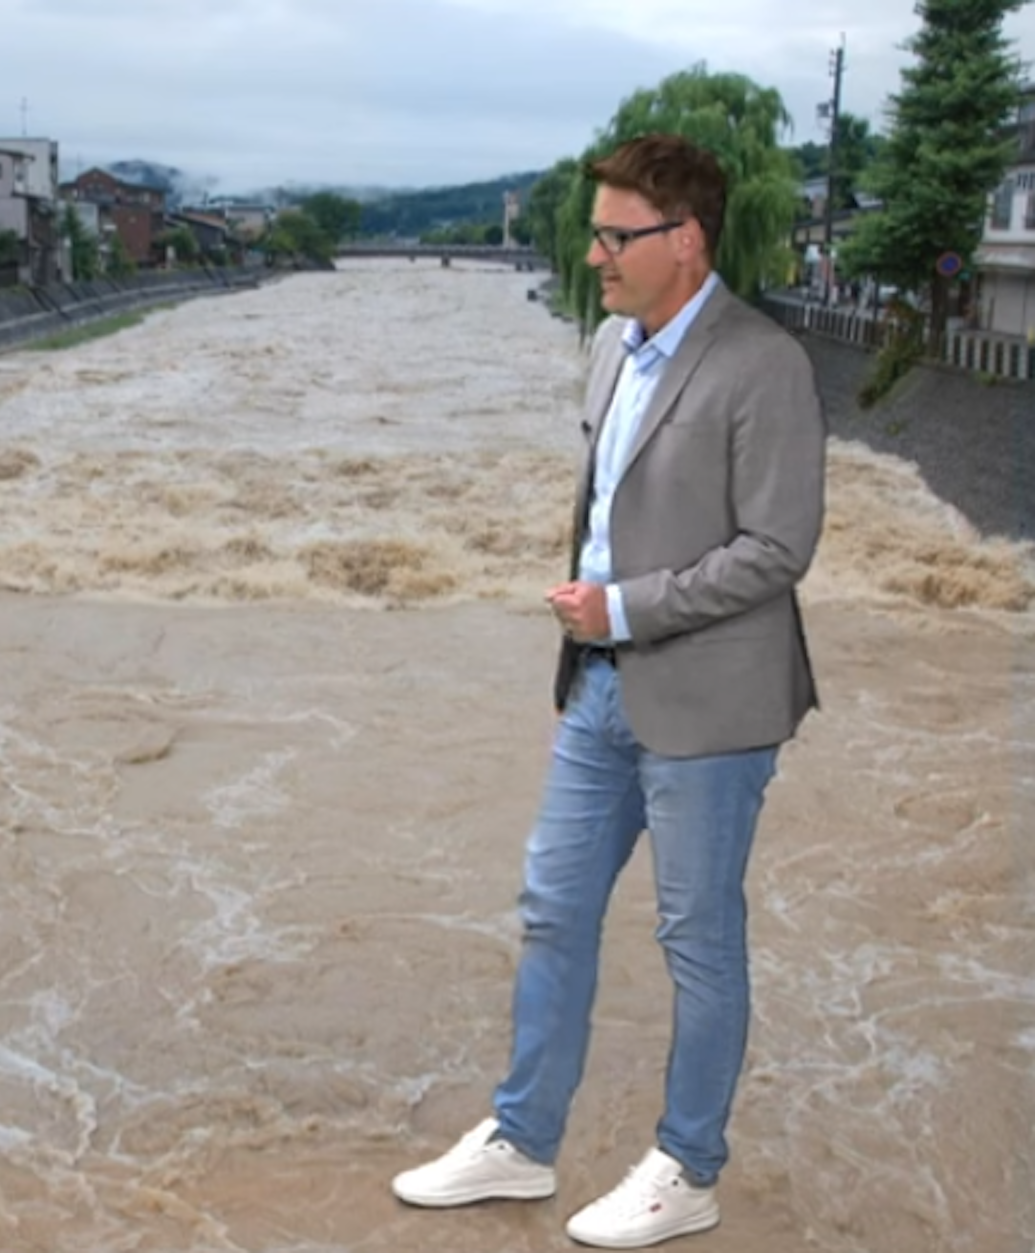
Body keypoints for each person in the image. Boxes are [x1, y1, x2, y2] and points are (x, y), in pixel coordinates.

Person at [389, 133, 827, 1249]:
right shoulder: (607, 347)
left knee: (697, 937)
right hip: (598, 688)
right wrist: (590, 642)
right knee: (553, 908)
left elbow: (777, 547)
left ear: (686, 241)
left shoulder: (763, 362)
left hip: (711, 703)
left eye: (615, 235)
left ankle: (687, 1167)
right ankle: (521, 1137)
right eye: (595, 233)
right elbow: (601, 514)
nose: (592, 255)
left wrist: (621, 608)